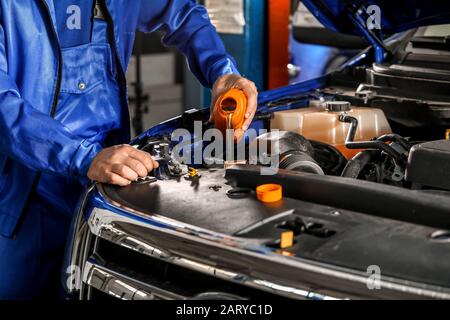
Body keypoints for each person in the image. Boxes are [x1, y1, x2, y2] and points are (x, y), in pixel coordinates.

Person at [0, 0, 257, 299]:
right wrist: (83, 157)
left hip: (109, 189)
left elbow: (181, 12)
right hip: (25, 203)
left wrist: (221, 69)